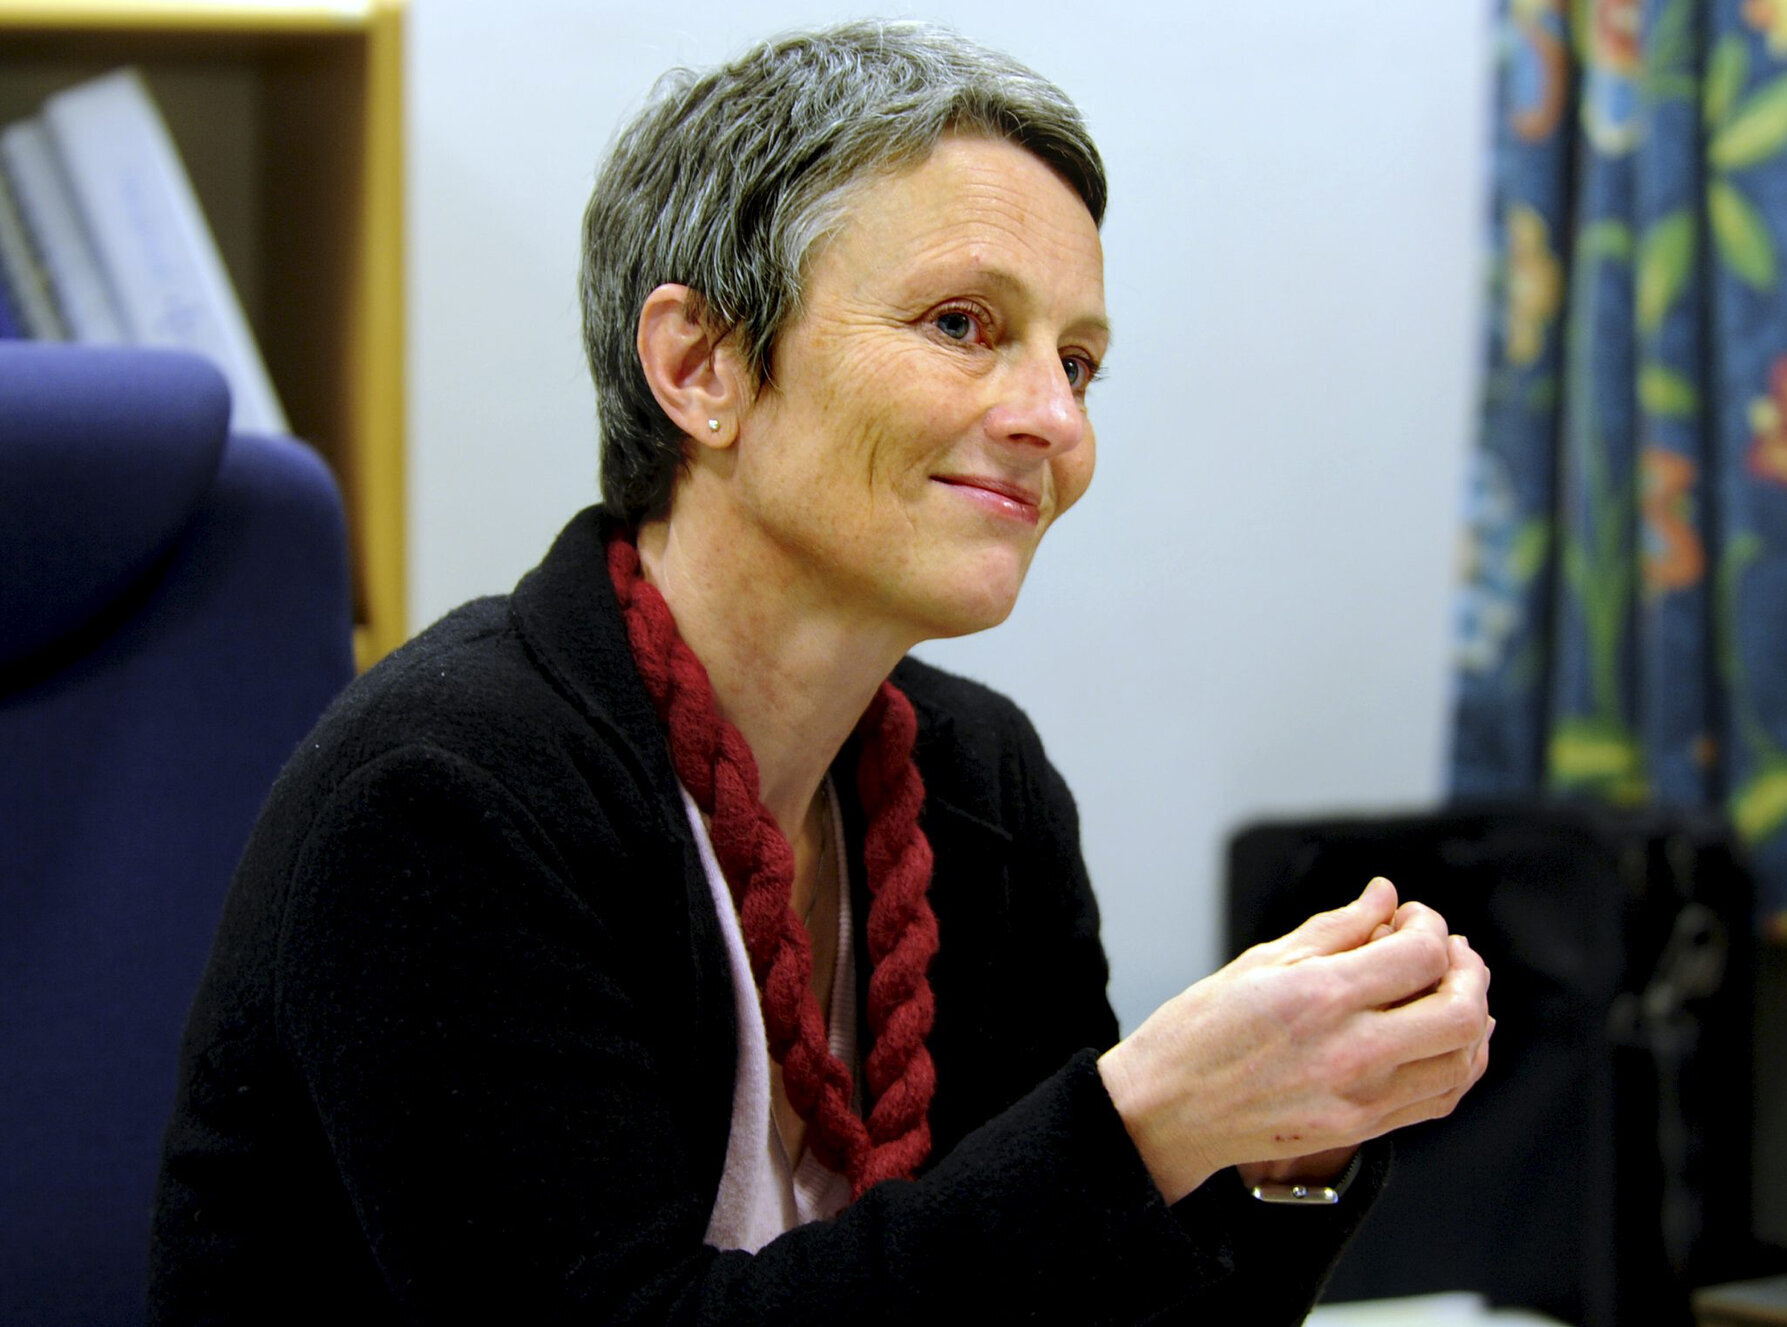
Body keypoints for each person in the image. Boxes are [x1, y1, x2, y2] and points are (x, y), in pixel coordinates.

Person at [149, 21, 1492, 1325]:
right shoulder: (443, 797)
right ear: (701, 366)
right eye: (963, 324)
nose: (1055, 421)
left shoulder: (981, 782)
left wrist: (1284, 1142)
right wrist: (1142, 1125)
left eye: (1078, 362)